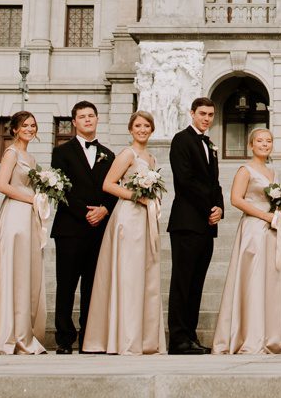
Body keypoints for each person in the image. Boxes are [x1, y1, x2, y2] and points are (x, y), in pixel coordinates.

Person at [0, 110, 50, 354]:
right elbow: (2, 185)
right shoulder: (11, 153)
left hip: (29, 217)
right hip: (14, 215)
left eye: (33, 125)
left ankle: (22, 331)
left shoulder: (31, 158)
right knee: (12, 269)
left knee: (25, 271)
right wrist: (32, 197)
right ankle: (5, 332)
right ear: (14, 129)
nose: (30, 129)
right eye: (25, 125)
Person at [82, 110, 164, 354]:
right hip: (128, 217)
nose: (142, 130)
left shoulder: (151, 158)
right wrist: (137, 197)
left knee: (144, 275)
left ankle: (144, 338)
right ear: (131, 129)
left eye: (147, 126)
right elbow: (108, 184)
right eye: (138, 125)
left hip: (146, 219)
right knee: (128, 274)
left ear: (152, 130)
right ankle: (124, 337)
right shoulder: (127, 154)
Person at [212, 127, 281, 354]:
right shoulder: (245, 170)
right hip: (253, 230)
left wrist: (279, 213)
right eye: (260, 141)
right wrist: (265, 215)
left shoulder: (273, 172)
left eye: (268, 141)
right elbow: (236, 199)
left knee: (270, 280)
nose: (264, 144)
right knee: (253, 279)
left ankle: (271, 336)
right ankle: (248, 335)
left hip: (271, 231)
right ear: (251, 145)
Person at [49, 100, 114, 353]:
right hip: (70, 227)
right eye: (82, 117)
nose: (87, 120)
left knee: (92, 285)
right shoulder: (61, 152)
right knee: (66, 284)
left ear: (97, 120)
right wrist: (84, 213)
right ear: (74, 122)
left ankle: (89, 336)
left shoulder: (108, 154)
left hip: (99, 228)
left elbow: (113, 187)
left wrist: (104, 209)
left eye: (91, 116)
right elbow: (60, 187)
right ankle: (64, 339)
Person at [166, 96, 225, 355]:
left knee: (196, 283)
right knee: (183, 282)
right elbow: (185, 180)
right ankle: (178, 338)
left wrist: (219, 207)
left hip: (206, 224)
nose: (207, 118)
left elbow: (216, 183)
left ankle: (190, 336)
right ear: (192, 113)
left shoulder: (210, 144)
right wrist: (207, 206)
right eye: (202, 113)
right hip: (187, 222)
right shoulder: (182, 140)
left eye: (210, 115)